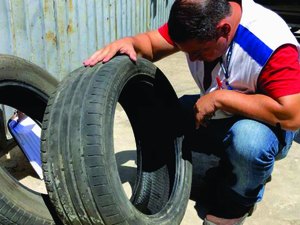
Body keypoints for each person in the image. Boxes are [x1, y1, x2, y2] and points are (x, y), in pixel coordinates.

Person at [83, 0, 300, 224]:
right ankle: (235, 169)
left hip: (269, 124)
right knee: (165, 117)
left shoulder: (270, 45)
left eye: (198, 51)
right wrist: (131, 43)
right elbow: (151, 44)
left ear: (223, 30)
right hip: (223, 107)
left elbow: (292, 115)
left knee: (249, 144)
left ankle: (238, 205)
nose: (192, 58)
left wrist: (220, 99)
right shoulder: (196, 20)